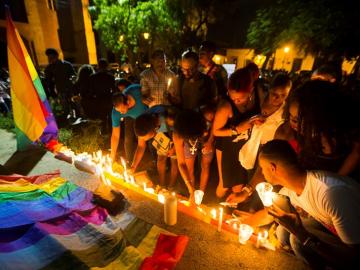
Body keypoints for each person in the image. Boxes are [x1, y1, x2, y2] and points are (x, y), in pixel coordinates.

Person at [244, 140, 360, 269]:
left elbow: (353, 257)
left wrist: (301, 233)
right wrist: (243, 223)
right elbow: (268, 214)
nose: (262, 173)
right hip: (337, 232)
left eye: (262, 168)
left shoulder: (330, 193)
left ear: (272, 168)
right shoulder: (291, 189)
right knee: (282, 230)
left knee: (298, 240)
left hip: (353, 248)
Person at [213, 68, 263, 198]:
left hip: (247, 146)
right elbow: (216, 131)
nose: (235, 101)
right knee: (224, 185)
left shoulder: (258, 93)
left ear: (250, 91)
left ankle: (230, 212)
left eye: (240, 99)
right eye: (232, 97)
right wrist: (237, 129)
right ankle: (214, 206)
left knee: (239, 185)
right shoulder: (226, 106)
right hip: (228, 149)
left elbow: (263, 112)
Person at [130, 105, 178, 188]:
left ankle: (171, 185)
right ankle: (162, 184)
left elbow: (179, 134)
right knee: (161, 157)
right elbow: (141, 146)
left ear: (153, 130)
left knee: (174, 159)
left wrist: (174, 148)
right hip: (161, 133)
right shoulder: (142, 123)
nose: (144, 140)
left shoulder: (167, 119)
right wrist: (133, 166)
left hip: (174, 130)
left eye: (146, 138)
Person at [173, 110, 209, 201]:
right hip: (193, 141)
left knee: (205, 164)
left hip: (207, 141)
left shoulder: (206, 118)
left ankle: (201, 194)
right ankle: (193, 195)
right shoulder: (178, 134)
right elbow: (181, 163)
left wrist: (210, 141)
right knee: (189, 169)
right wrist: (190, 186)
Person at [110, 84, 148, 162]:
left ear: (128, 102)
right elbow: (115, 136)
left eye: (122, 110)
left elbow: (141, 144)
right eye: (118, 111)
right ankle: (129, 161)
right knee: (128, 137)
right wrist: (112, 156)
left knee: (146, 138)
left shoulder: (138, 93)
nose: (121, 113)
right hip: (132, 115)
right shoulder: (116, 112)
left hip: (143, 115)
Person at [44, 48, 76, 118]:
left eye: (51, 57)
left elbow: (73, 75)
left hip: (71, 90)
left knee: (75, 107)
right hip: (61, 91)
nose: (50, 59)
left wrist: (73, 80)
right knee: (65, 109)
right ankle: (68, 123)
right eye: (49, 58)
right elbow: (49, 82)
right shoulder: (49, 68)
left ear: (56, 56)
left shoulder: (67, 65)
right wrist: (52, 92)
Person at [88, 59, 115, 132]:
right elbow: (114, 89)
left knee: (101, 117)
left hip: (98, 99)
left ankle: (103, 132)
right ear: (106, 66)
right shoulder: (110, 76)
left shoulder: (93, 77)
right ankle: (111, 132)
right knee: (110, 117)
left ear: (98, 66)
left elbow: (91, 90)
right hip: (108, 98)